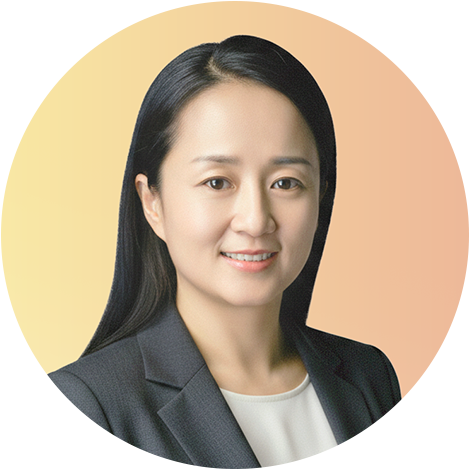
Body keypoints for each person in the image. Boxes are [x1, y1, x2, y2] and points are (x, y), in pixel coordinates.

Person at [26, 35, 411, 469]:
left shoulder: (367, 377)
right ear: (152, 201)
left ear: (321, 194)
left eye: (286, 183)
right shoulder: (87, 405)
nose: (255, 220)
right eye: (217, 182)